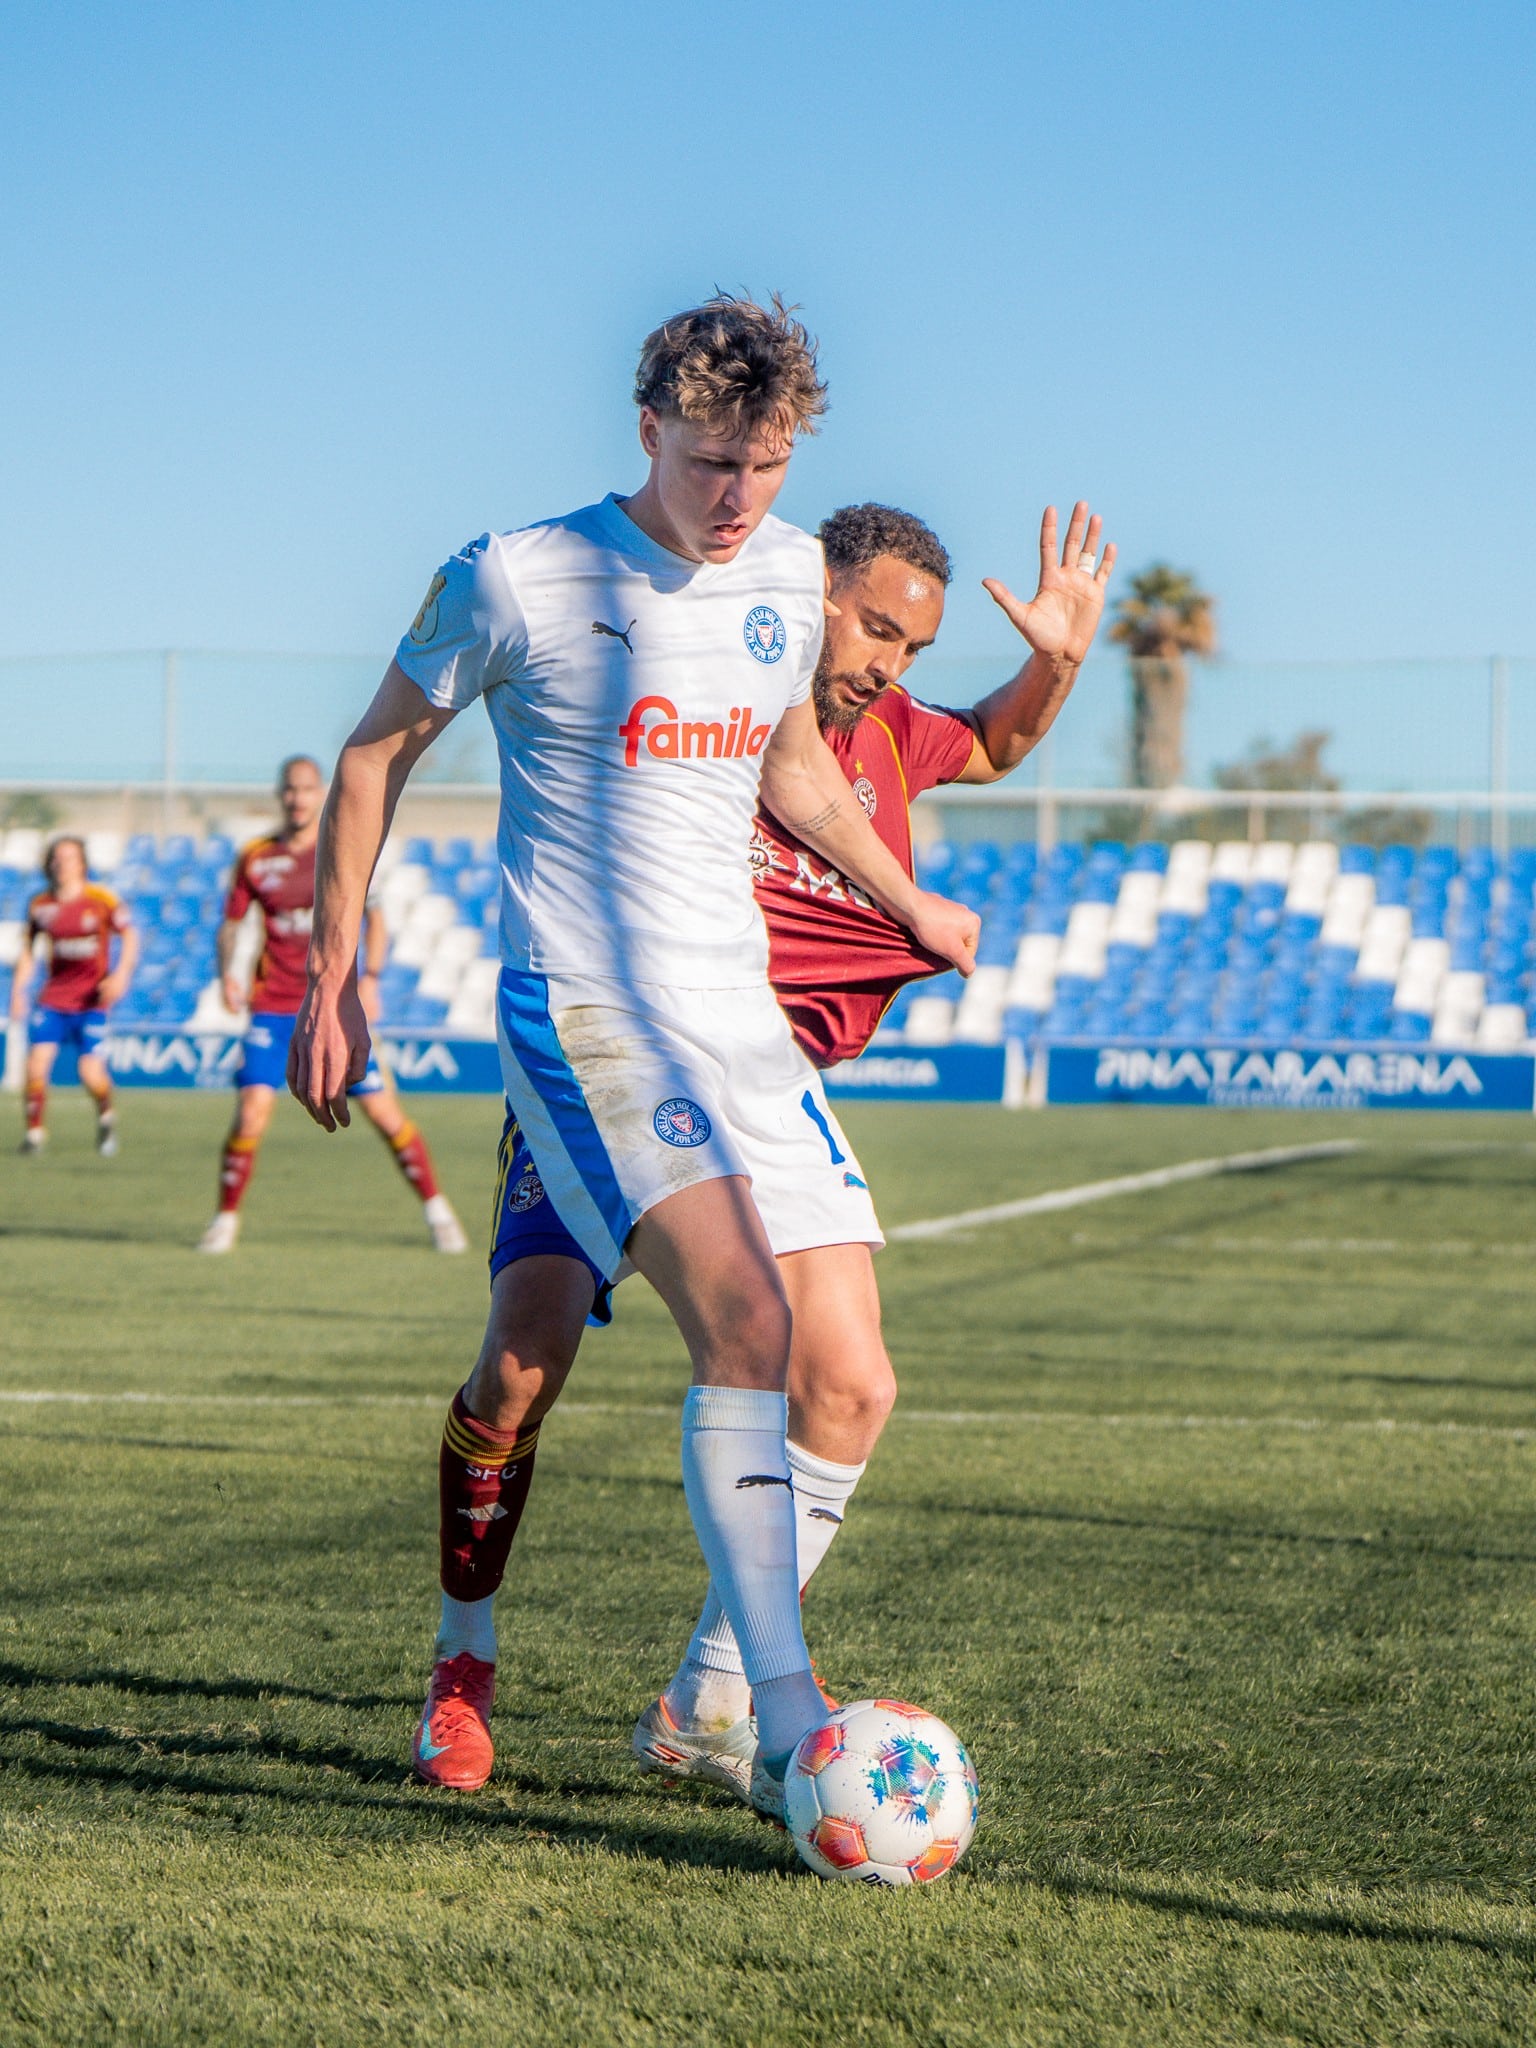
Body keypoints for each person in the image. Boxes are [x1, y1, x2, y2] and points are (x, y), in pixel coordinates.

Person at [286, 295, 978, 1818]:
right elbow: (372, 753)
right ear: (651, 427)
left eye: (770, 463)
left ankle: (706, 1704)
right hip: (585, 1007)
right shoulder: (518, 576)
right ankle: (696, 1699)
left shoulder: (793, 570)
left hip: (734, 1014)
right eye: (715, 459)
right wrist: (335, 976)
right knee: (727, 1332)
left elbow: (789, 762)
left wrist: (902, 892)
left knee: (849, 1381)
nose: (739, 498)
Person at [408, 497, 1114, 1798]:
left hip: (762, 1080)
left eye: (914, 645)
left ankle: (715, 1696)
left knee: (849, 1385)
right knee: (518, 1369)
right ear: (808, 592)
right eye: (879, 631)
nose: (893, 664)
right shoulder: (710, 687)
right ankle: (463, 1661)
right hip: (618, 1062)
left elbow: (1001, 741)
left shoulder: (889, 737)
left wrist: (1061, 653)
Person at [197, 755, 466, 1254]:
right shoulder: (256, 856)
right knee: (250, 1115)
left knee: (385, 1115)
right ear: (280, 795)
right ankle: (224, 1220)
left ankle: (439, 1212)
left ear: (319, 792)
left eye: (305, 789)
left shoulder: (340, 845)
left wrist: (372, 981)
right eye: (289, 790)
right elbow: (231, 923)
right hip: (273, 1007)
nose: (296, 798)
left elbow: (377, 918)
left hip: (337, 1008)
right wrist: (226, 978)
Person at [10, 835, 138, 1155]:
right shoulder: (40, 905)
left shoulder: (102, 899)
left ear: (82, 863)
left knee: (89, 1073)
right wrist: (18, 990)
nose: (61, 864)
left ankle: (106, 1115)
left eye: (68, 858)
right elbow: (29, 950)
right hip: (53, 998)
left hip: (91, 1000)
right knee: (36, 1065)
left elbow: (130, 935)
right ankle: (35, 1134)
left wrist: (121, 975)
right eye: (56, 857)